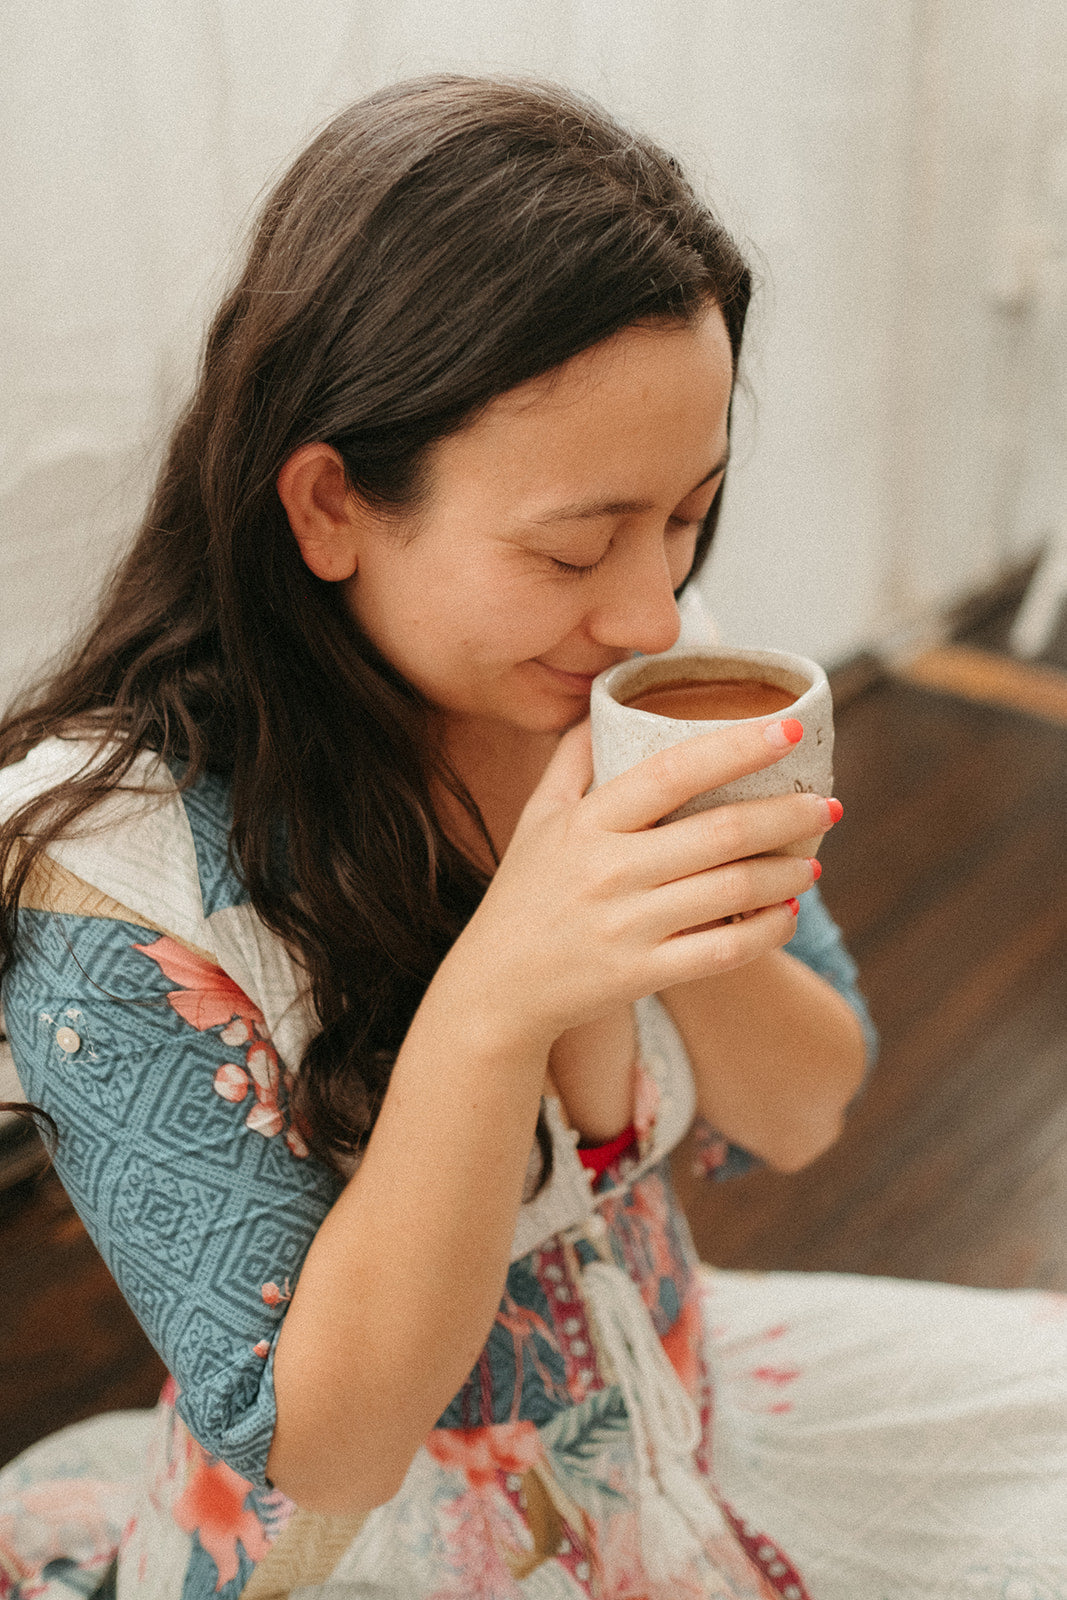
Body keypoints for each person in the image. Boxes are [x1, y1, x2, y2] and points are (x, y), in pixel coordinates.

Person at [0, 75, 1064, 1600]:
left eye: (689, 515)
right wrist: (505, 993)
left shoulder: (619, 684)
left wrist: (676, 892)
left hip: (684, 1421)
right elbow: (332, 1452)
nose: (650, 609)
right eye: (574, 545)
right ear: (328, 507)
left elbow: (809, 1105)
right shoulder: (113, 872)